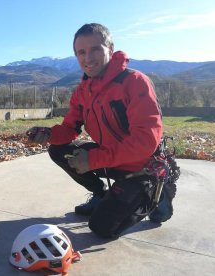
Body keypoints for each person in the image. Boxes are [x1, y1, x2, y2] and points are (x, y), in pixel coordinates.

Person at [27, 23, 176, 238]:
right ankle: (101, 194)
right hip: (110, 159)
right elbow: (69, 129)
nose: (88, 58)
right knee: (58, 149)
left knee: (103, 227)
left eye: (96, 49)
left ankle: (159, 190)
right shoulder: (82, 91)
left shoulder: (134, 82)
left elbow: (145, 142)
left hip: (141, 165)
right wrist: (49, 134)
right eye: (81, 52)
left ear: (111, 49)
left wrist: (93, 160)